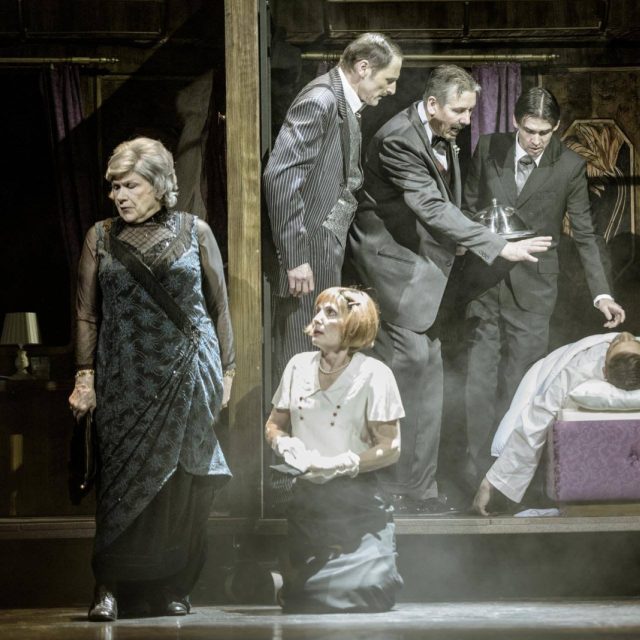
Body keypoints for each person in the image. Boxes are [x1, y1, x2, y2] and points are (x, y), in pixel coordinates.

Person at [346, 65, 552, 515]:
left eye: (471, 111)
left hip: (426, 278)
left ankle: (419, 490)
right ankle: (391, 490)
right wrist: (497, 246)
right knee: (408, 375)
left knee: (430, 376)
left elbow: (447, 204)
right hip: (394, 274)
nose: (466, 120)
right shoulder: (398, 138)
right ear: (433, 104)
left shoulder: (440, 131)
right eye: (460, 111)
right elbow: (430, 205)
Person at [68, 137, 235, 621]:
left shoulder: (195, 231)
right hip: (124, 378)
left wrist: (227, 370)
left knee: (181, 486)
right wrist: (85, 379)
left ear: (160, 186)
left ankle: (173, 585)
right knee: (119, 486)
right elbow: (86, 314)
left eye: (130, 186)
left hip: (188, 373)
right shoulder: (100, 236)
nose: (119, 196)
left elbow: (219, 305)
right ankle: (108, 586)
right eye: (114, 187)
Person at [462, 87, 626, 487]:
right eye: (529, 130)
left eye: (545, 132)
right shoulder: (488, 147)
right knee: (478, 380)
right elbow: (466, 209)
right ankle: (474, 472)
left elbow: (584, 234)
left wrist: (602, 293)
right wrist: (488, 245)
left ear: (557, 127)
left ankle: (511, 478)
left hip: (535, 289)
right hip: (484, 283)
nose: (536, 140)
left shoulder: (569, 164)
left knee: (521, 383)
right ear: (515, 122)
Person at [263, 32, 403, 378]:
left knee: (321, 351)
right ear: (363, 68)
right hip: (308, 251)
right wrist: (296, 257)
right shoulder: (321, 100)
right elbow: (280, 176)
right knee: (305, 353)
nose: (392, 90)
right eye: (388, 80)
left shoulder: (342, 103)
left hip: (324, 248)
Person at [265, 287, 404, 612]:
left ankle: (292, 583)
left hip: (359, 505)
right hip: (310, 506)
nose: (317, 320)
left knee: (373, 591)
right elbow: (274, 425)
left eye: (330, 313)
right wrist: (284, 443)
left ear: (354, 324)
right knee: (306, 600)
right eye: (318, 311)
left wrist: (342, 464)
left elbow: (391, 447)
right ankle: (290, 583)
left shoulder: (375, 374)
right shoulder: (298, 366)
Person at [472, 331, 640, 516]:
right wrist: (492, 482)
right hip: (549, 367)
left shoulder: (585, 368)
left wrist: (491, 483)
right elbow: (539, 417)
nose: (625, 334)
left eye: (615, 344)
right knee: (506, 435)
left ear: (604, 370)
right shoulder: (575, 371)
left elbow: (536, 421)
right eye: (631, 340)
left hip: (567, 366)